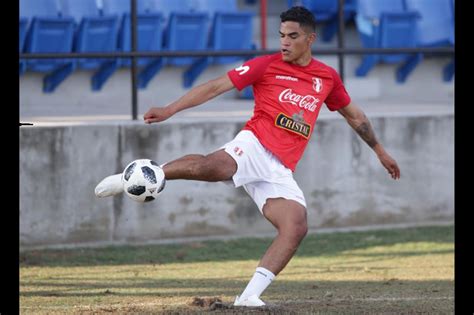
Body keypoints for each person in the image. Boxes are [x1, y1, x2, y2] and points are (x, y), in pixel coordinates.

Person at [95, 6, 401, 307]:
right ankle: (135, 178)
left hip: (280, 168)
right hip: (255, 144)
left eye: (292, 36)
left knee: (296, 226)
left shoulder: (327, 78)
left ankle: (248, 296)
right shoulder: (266, 65)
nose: (284, 42)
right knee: (214, 168)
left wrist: (379, 150)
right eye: (281, 35)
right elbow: (216, 86)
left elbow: (355, 116)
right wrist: (170, 109)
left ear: (310, 39)